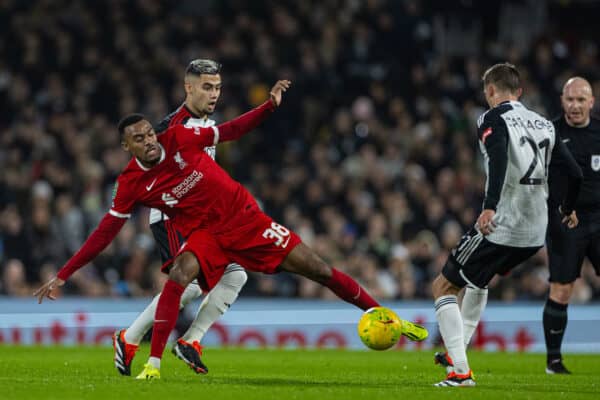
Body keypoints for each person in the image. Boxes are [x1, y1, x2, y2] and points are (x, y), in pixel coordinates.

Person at [34, 79, 428, 380]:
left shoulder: (180, 137)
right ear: (126, 147)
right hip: (207, 233)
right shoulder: (130, 184)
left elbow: (232, 130)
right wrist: (63, 275)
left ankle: (384, 314)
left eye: (149, 134)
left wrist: (268, 108)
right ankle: (154, 361)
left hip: (247, 220)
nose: (149, 142)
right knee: (180, 276)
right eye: (138, 139)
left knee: (319, 270)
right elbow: (103, 234)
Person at [430, 63, 582, 387]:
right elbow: (575, 173)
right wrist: (567, 208)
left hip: (504, 222)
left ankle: (460, 372)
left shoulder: (491, 118)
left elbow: (498, 158)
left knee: (442, 286)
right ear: (520, 91)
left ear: (490, 91)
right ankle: (458, 352)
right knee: (478, 280)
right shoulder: (544, 123)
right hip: (535, 232)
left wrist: (489, 207)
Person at [112, 59, 248, 377]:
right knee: (186, 283)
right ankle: (131, 338)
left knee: (235, 275)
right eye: (207, 87)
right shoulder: (173, 126)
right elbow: (146, 166)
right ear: (189, 87)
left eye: (217, 87)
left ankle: (187, 340)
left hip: (204, 217)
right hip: (172, 216)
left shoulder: (207, 123)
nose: (214, 94)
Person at [544, 76, 600, 374]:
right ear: (562, 101)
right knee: (562, 288)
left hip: (599, 217)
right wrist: (563, 207)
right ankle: (554, 361)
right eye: (570, 99)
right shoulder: (550, 133)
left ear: (591, 101)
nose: (575, 105)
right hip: (566, 218)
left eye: (581, 99)